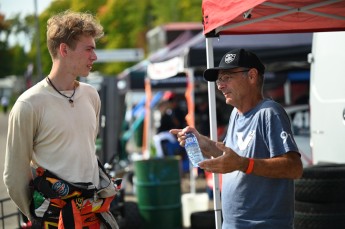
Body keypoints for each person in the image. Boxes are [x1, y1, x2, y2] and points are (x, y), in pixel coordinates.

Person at [3, 11, 119, 228]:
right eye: (89, 49)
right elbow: (14, 176)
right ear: (64, 50)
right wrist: (40, 217)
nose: (94, 56)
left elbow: (86, 151)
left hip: (94, 214)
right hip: (55, 220)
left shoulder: (91, 95)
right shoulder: (28, 104)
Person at [171, 48, 303, 229]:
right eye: (219, 79)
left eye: (227, 77)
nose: (219, 85)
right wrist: (203, 142)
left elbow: (294, 168)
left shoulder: (269, 113)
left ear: (251, 76)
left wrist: (244, 164)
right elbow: (232, 155)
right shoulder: (236, 114)